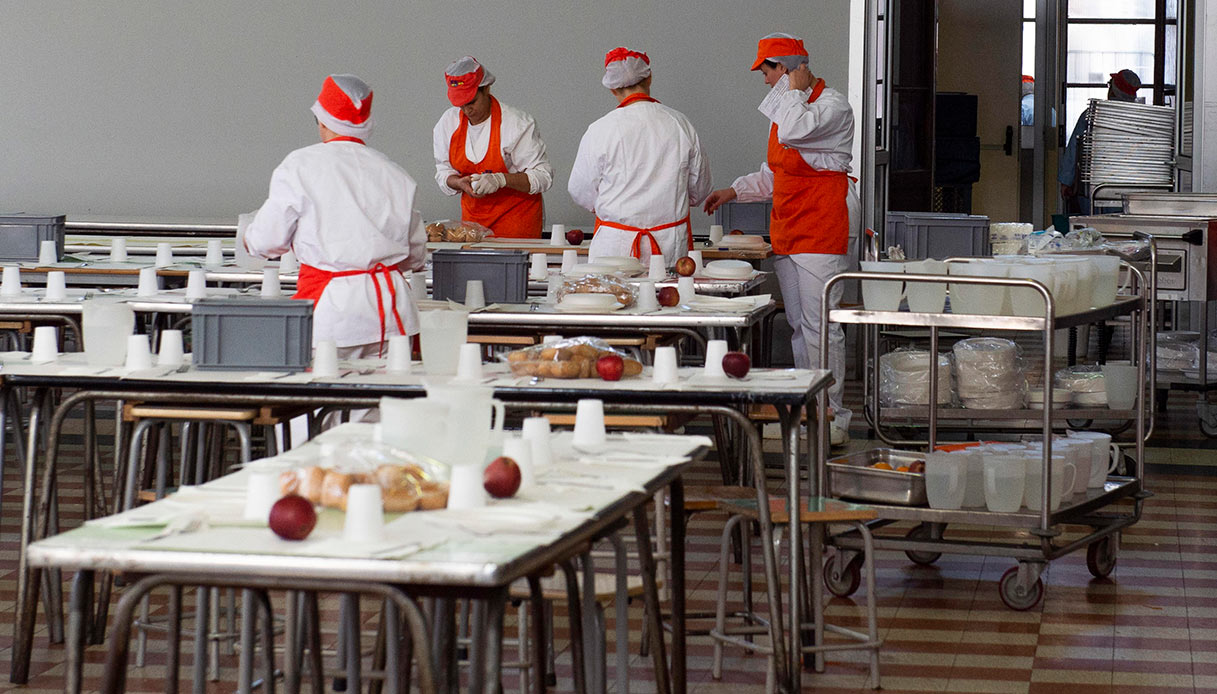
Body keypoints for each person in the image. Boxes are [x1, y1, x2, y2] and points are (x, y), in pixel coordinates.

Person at [703, 33, 860, 445]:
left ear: (788, 67)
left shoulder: (831, 106)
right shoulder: (789, 106)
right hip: (789, 227)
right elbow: (776, 172)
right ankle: (809, 406)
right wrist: (734, 191)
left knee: (821, 327)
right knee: (798, 327)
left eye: (769, 70)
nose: (765, 80)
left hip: (821, 228)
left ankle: (834, 414)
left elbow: (793, 131)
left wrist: (793, 86)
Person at [243, 74, 426, 360]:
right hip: (392, 315)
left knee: (327, 399)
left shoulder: (300, 166)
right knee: (385, 401)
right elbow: (415, 256)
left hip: (334, 315)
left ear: (322, 121)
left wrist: (249, 237)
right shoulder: (395, 174)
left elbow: (267, 242)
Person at [568, 47, 712, 264]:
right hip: (669, 246)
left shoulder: (600, 129)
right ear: (650, 78)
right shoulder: (680, 124)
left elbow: (579, 189)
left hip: (614, 245)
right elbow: (700, 189)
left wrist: (613, 206)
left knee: (613, 297)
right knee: (667, 295)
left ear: (612, 89)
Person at [433, 56, 553, 238]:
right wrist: (458, 183)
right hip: (473, 229)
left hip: (517, 224)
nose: (467, 110)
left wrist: (501, 180)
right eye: (460, 104)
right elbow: (443, 170)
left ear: (486, 89)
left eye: (471, 102)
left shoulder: (516, 124)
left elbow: (543, 177)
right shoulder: (447, 123)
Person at [1058, 68, 1141, 215]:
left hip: (1096, 189)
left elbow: (1074, 149)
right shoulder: (1143, 120)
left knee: (1093, 231)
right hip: (1133, 190)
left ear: (1113, 90)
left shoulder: (1092, 116)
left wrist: (1066, 181)